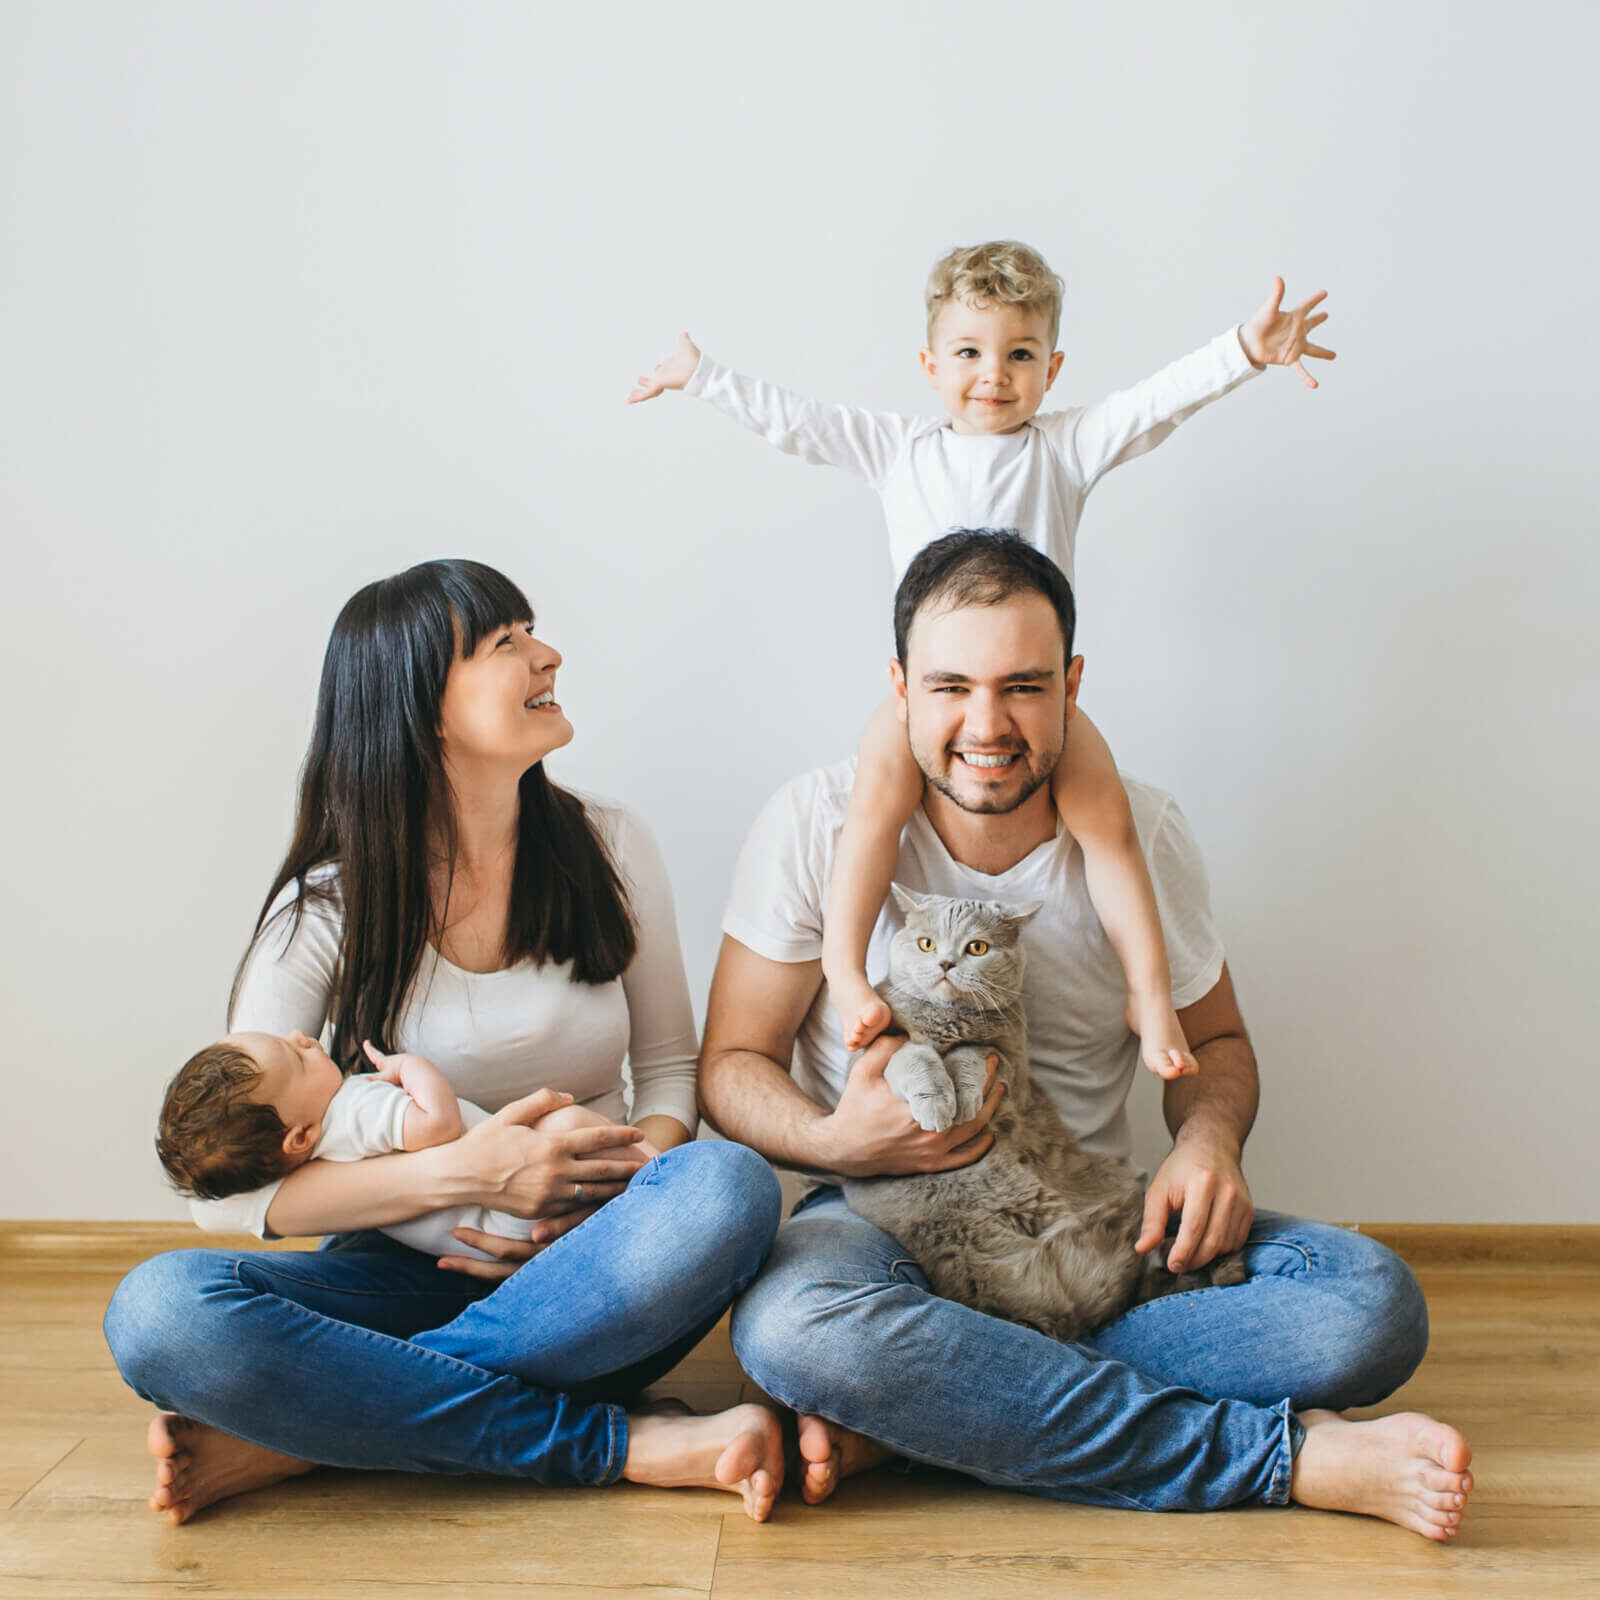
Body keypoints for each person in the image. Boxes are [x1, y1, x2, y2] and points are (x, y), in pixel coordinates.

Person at [697, 531, 1474, 1541]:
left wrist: (1207, 1143)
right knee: (794, 1331)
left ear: (1070, 684)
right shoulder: (814, 821)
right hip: (877, 1224)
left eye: (1022, 685)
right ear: (899, 688)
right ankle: (1282, 1456)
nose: (987, 724)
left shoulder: (1141, 832)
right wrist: (837, 1142)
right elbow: (730, 1066)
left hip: (1082, 1230)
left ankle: (935, 1410)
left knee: (1367, 1305)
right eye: (951, 687)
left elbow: (1218, 1043)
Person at [104, 559, 786, 1525]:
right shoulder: (328, 909)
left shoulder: (612, 845)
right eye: (506, 643)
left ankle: (319, 1425)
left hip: (588, 1268)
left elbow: (671, 1072)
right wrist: (472, 1176)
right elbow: (232, 1201)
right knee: (158, 1310)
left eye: (530, 631)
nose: (547, 654)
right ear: (421, 707)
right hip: (389, 1264)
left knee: (729, 1186)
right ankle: (611, 1442)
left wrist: (603, 1199)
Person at [629, 240, 1335, 1081]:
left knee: (1109, 828)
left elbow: (1156, 405)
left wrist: (1245, 352)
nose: (993, 375)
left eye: (1020, 355)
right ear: (930, 364)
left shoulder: (1064, 449)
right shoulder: (899, 450)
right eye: (969, 353)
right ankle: (848, 971)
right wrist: (705, 375)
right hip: (930, 705)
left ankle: (1150, 993)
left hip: (1032, 696)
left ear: (1052, 367)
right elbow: (800, 423)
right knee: (873, 810)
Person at [154, 1031, 658, 1261]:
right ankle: (662, 1172)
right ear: (299, 1137)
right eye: (298, 1057)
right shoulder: (354, 1111)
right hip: (502, 1218)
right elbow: (435, 1126)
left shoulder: (303, 1157)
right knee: (566, 1123)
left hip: (480, 1240)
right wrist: (409, 1067)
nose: (303, 1038)